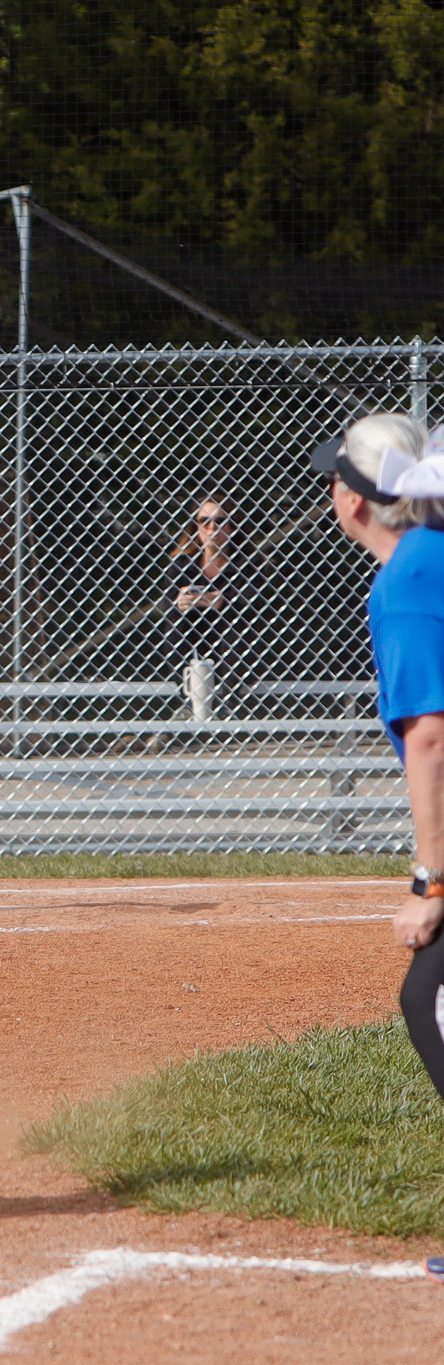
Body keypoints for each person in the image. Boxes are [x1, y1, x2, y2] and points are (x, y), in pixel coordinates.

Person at [312, 417, 444, 1116]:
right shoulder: (431, 551)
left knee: (429, 998)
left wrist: (432, 882)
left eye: (335, 479)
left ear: (354, 499)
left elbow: (431, 738)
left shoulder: (408, 580)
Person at [163, 493, 262, 707]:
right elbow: (168, 607)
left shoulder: (247, 564)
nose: (212, 527)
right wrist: (180, 603)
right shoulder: (182, 564)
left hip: (232, 633)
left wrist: (222, 603)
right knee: (174, 625)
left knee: (236, 628)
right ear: (195, 526)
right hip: (194, 631)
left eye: (220, 521)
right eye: (204, 521)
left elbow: (254, 607)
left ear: (232, 526)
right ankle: (188, 699)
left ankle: (230, 701)